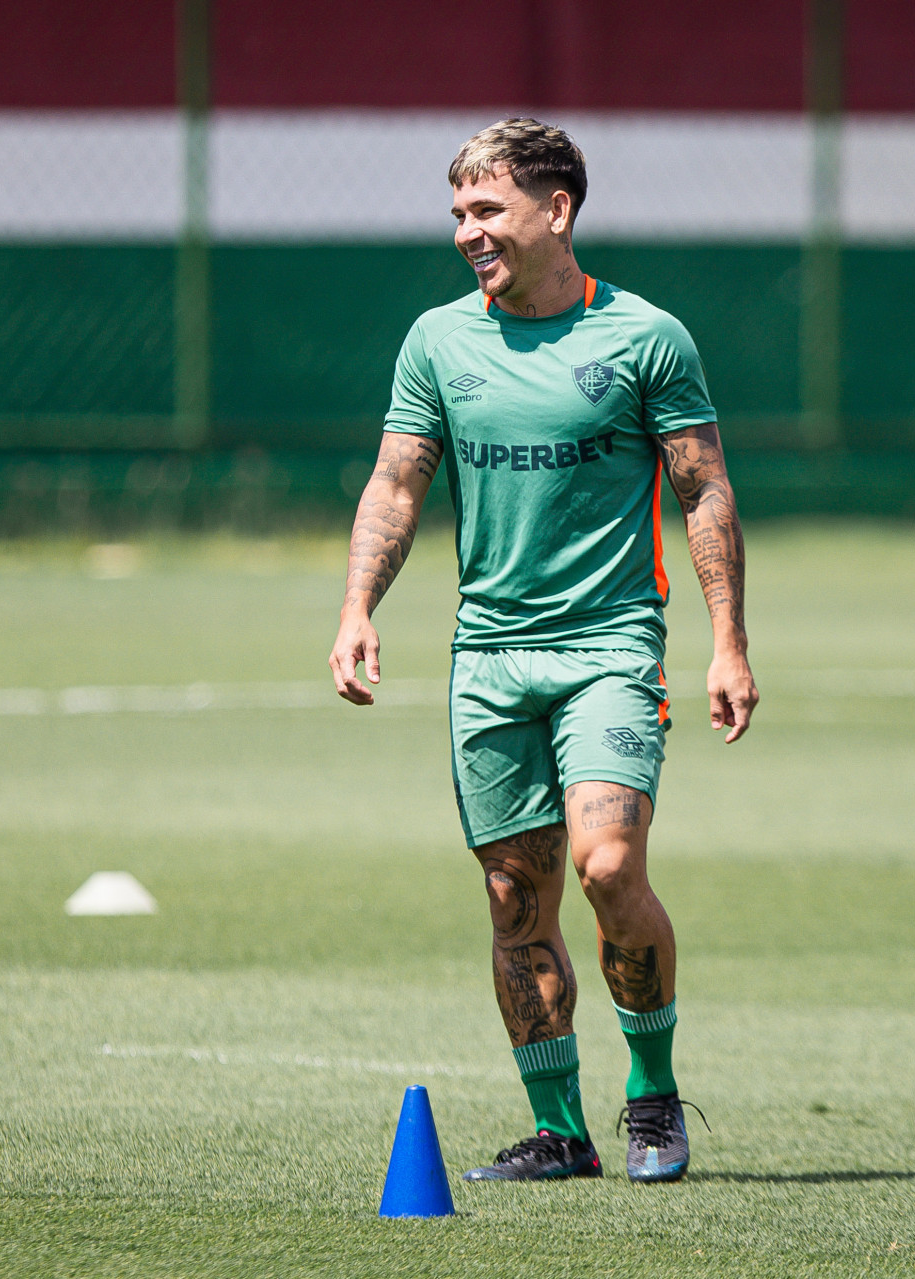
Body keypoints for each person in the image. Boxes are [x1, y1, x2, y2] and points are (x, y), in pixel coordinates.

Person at [327, 118, 757, 1184]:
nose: (470, 232)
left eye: (489, 210)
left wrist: (729, 644)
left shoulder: (647, 337)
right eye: (459, 214)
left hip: (611, 647)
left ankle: (652, 1098)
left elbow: (702, 487)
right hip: (491, 659)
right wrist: (356, 608)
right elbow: (396, 481)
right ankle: (560, 1131)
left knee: (609, 864)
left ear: (555, 211)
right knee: (516, 899)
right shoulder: (437, 341)